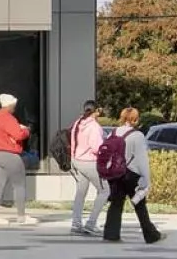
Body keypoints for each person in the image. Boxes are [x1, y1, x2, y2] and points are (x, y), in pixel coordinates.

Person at [102, 108, 162, 245]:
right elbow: (142, 160)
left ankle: (111, 234)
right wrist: (146, 179)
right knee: (140, 204)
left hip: (115, 173)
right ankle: (151, 234)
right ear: (135, 119)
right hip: (131, 173)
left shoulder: (113, 132)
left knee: (116, 203)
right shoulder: (138, 136)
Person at [0, 91, 34, 223]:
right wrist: (26, 130)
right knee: (19, 185)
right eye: (13, 105)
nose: (14, 107)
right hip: (9, 154)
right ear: (7, 105)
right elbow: (18, 135)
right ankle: (21, 216)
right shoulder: (7, 118)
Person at [66, 101, 108, 236]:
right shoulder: (94, 127)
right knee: (105, 191)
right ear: (96, 111)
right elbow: (97, 148)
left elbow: (72, 141)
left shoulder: (78, 122)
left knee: (80, 193)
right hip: (90, 162)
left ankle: (76, 224)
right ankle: (91, 223)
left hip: (76, 161)